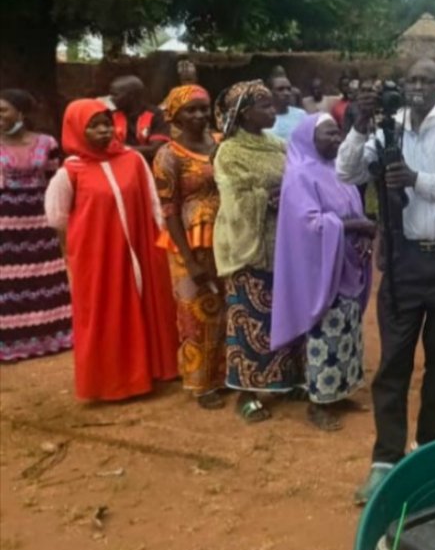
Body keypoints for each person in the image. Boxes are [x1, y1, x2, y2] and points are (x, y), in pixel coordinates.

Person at [336, 58, 435, 504]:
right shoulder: (388, 127)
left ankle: (427, 451)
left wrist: (417, 180)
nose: (418, 86)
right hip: (401, 262)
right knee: (393, 363)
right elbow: (346, 172)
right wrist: (360, 126)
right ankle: (385, 462)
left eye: (427, 80)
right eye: (412, 80)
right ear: (403, 85)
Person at [44, 99, 178, 400]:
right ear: (76, 130)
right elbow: (57, 216)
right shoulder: (71, 171)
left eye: (106, 124)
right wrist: (91, 237)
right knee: (109, 311)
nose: (104, 131)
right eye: (94, 126)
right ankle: (117, 381)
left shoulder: (132, 159)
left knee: (147, 302)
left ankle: (154, 369)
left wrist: (159, 241)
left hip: (141, 248)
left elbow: (153, 202)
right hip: (99, 255)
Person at [271, 114, 376, 432]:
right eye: (329, 134)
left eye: (337, 133)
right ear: (309, 138)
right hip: (321, 268)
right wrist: (358, 226)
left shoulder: (339, 170)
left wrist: (361, 234)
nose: (336, 138)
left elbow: (354, 208)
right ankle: (319, 402)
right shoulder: (299, 175)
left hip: (348, 263)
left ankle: (341, 391)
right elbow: (309, 224)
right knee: (325, 335)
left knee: (348, 331)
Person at [213, 80, 304, 423]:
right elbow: (234, 199)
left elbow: (299, 179)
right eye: (264, 106)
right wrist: (268, 198)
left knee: (282, 316)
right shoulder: (229, 152)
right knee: (249, 318)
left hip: (283, 243)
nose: (272, 110)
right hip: (247, 246)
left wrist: (290, 193)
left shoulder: (278, 145)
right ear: (244, 113)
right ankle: (246, 392)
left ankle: (283, 382)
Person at [153, 86, 227, 408]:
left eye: (203, 108)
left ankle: (225, 374)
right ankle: (201, 383)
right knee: (196, 313)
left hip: (226, 237)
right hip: (189, 244)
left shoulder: (222, 143)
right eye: (190, 110)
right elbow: (169, 210)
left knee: (227, 308)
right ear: (175, 115)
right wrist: (190, 261)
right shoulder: (168, 155)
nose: (199, 115)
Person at [0, 89, 73, 362]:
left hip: (41, 222)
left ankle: (53, 336)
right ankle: (12, 342)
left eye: (3, 110)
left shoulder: (47, 143)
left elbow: (54, 182)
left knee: (45, 275)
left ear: (20, 112)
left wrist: (58, 220)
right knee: (8, 281)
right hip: (5, 224)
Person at [109, 75, 170, 162]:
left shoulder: (156, 115)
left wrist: (119, 149)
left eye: (115, 95)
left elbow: (155, 150)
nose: (111, 99)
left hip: (149, 165)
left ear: (131, 96)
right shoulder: (111, 116)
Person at [266, 73, 308, 141]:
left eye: (289, 89)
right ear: (269, 92)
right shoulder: (264, 117)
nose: (286, 93)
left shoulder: (301, 115)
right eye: (280, 89)